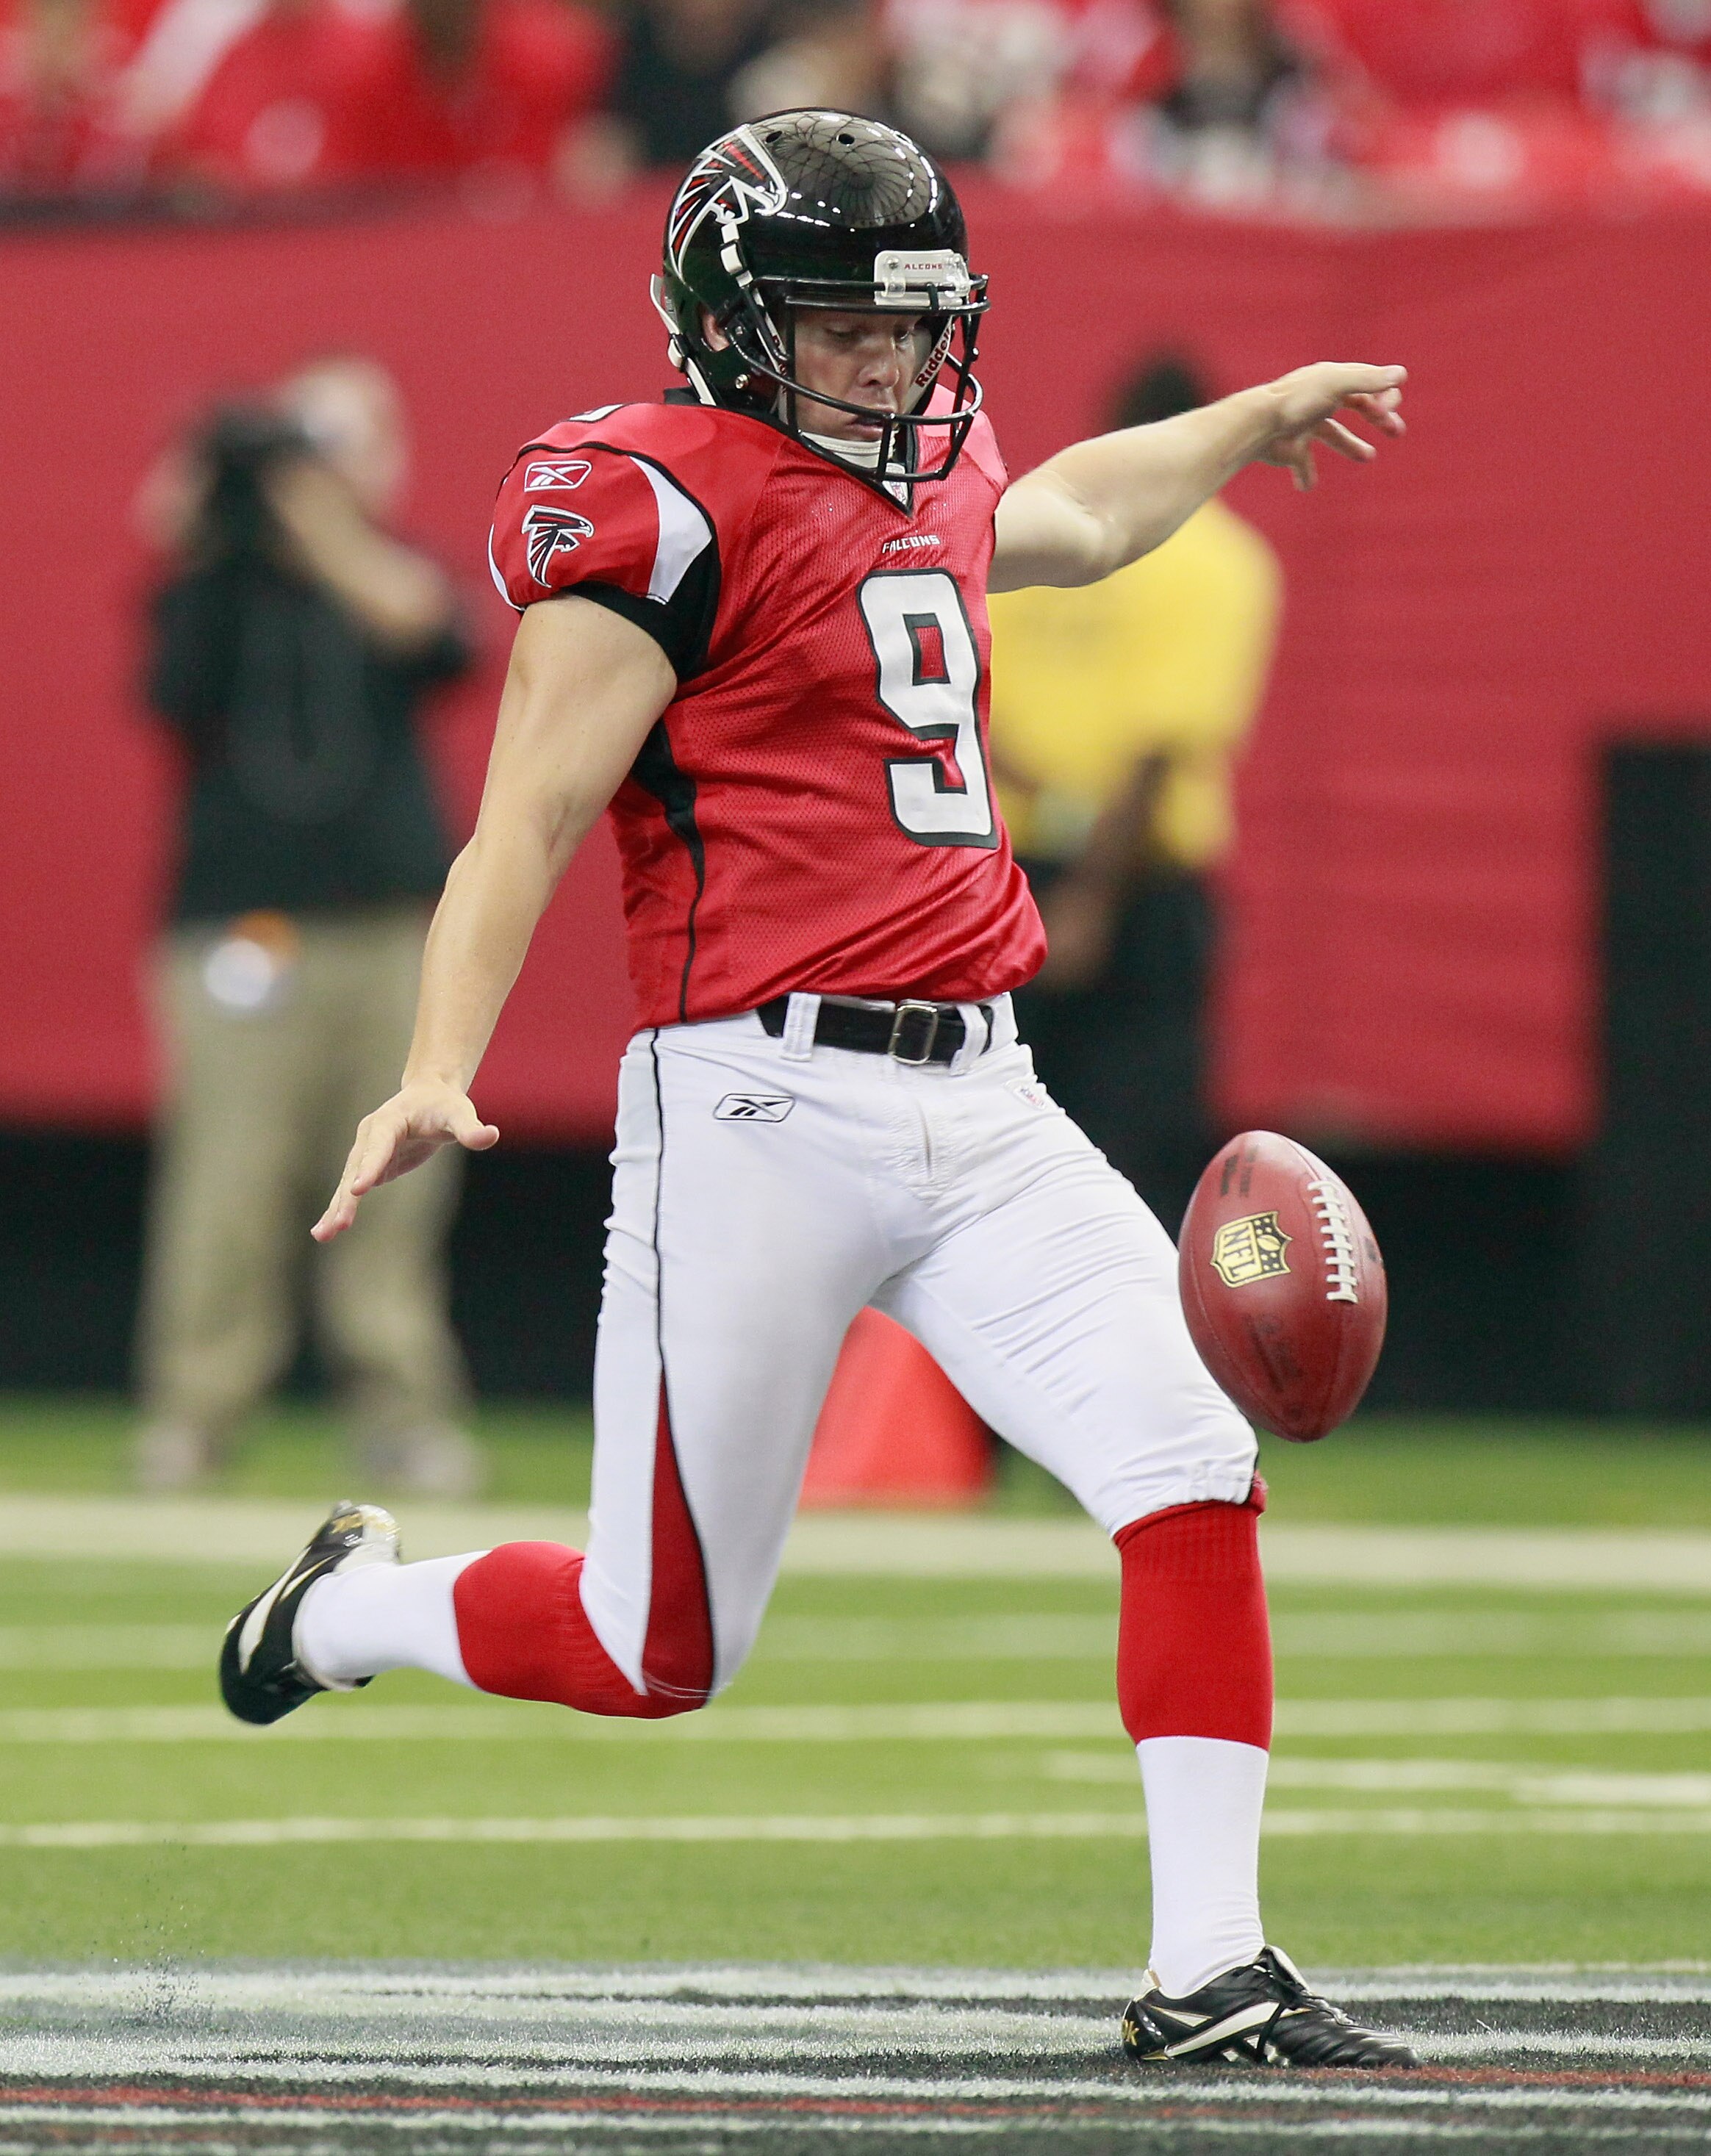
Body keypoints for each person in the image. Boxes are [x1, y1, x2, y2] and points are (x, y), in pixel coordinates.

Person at [218, 112, 1412, 2069]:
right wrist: (436, 1062)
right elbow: (521, 821)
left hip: (992, 1091)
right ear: (729, 314)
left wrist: (1250, 414)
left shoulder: (932, 464)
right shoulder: (657, 507)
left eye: (916, 322)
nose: (892, 361)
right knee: (655, 1643)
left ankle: (1214, 1959)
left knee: (1192, 1465)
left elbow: (1087, 517)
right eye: (846, 323)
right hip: (758, 1106)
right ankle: (346, 1613)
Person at [135, 357, 482, 1499]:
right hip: (246, 927)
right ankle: (196, 1409)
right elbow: (168, 686)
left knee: (399, 1188)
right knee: (230, 1177)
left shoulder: (386, 567)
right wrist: (206, 518)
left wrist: (323, 526)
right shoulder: (216, 581)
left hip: (390, 930)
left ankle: (401, 1411)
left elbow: (438, 640)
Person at [991, 351, 1281, 1235]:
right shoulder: (1221, 560)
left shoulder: (1034, 533)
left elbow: (962, 694)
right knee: (1129, 1152)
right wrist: (1092, 898)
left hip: (1004, 877)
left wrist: (1047, 807)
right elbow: (1160, 754)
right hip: (1134, 890)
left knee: (998, 1135)